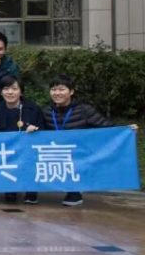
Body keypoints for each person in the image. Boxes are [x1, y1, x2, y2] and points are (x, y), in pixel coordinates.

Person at [40, 75, 127, 207]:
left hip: (79, 154)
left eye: (61, 89)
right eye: (53, 89)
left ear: (71, 91)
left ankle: (75, 191)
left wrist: (126, 131)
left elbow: (107, 128)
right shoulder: (46, 111)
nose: (57, 93)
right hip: (56, 153)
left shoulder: (84, 110)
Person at [0, 75, 45, 204]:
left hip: (28, 151)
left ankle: (31, 191)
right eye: (6, 89)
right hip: (5, 152)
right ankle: (10, 189)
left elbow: (43, 132)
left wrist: (35, 130)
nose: (10, 92)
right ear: (1, 92)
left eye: (14, 89)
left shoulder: (33, 109)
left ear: (21, 92)